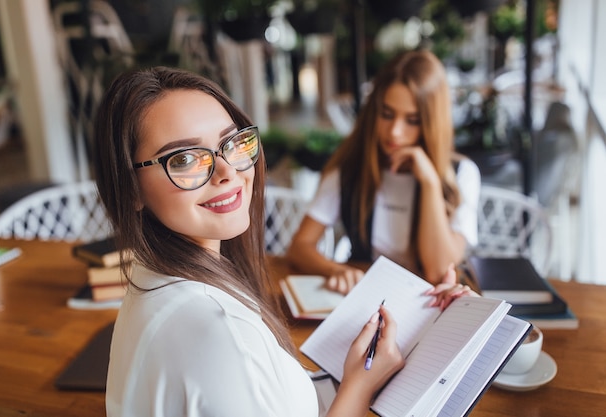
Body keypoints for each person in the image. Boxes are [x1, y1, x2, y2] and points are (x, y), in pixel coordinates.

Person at [93, 66, 471, 417]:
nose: (228, 172)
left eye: (231, 144)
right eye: (184, 159)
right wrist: (361, 386)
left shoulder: (151, 278)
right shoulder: (221, 333)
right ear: (131, 190)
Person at [287, 49, 481, 294]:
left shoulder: (462, 173)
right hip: (368, 299)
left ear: (432, 123)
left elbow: (438, 271)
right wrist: (335, 270)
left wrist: (430, 182)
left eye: (412, 120)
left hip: (430, 306)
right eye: (387, 114)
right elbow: (299, 247)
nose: (395, 132)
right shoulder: (349, 170)